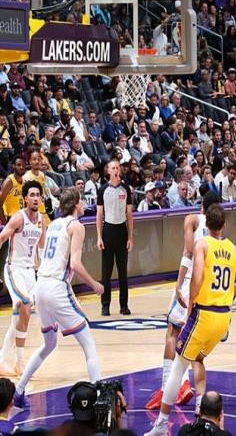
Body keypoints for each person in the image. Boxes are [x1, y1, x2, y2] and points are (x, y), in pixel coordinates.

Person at [145, 203, 236, 436]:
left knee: (178, 366)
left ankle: (161, 424)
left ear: (206, 223)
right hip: (223, 318)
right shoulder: (233, 249)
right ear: (224, 224)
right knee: (198, 358)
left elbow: (198, 276)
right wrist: (224, 292)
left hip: (204, 314)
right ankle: (200, 411)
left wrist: (191, 302)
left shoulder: (202, 244)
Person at [14, 187, 104, 409]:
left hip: (40, 286)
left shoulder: (54, 223)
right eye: (81, 201)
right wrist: (94, 284)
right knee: (88, 343)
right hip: (56, 286)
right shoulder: (76, 226)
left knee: (49, 344)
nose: (84, 204)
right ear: (75, 204)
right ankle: (100, 397)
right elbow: (75, 264)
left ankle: (19, 390)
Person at [145, 192, 220, 411]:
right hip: (209, 289)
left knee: (172, 333)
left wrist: (178, 284)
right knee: (192, 341)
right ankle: (189, 387)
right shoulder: (218, 231)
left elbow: (188, 252)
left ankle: (168, 387)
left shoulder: (192, 219)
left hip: (190, 282)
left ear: (202, 206)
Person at [0, 181, 46, 376]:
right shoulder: (18, 218)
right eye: (32, 195)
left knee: (18, 317)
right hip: (14, 269)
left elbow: (42, 249)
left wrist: (44, 272)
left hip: (30, 272)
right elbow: (2, 238)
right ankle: (20, 361)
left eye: (38, 195)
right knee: (24, 305)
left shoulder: (41, 220)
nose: (35, 198)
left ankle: (2, 360)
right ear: (25, 198)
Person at [96, 160, 134, 316]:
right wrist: (99, 237)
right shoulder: (103, 190)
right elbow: (99, 215)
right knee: (106, 271)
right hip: (108, 230)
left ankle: (124, 305)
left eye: (118, 167)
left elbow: (129, 214)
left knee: (122, 271)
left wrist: (130, 237)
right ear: (108, 171)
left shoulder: (126, 189)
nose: (116, 170)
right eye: (113, 168)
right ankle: (105, 305)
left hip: (121, 230)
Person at [0, 155, 25, 225]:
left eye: (23, 165)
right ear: (13, 166)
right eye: (19, 165)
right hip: (11, 218)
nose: (21, 167)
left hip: (22, 218)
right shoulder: (9, 181)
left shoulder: (24, 181)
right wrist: (5, 224)